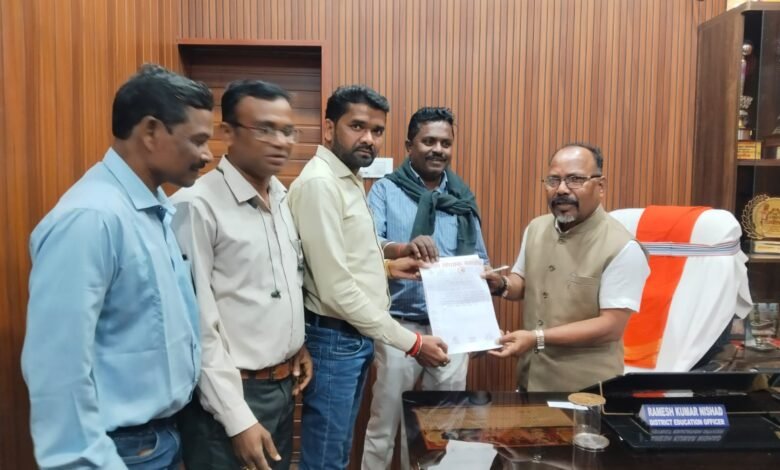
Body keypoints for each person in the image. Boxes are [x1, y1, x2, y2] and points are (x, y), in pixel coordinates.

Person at [21, 64, 214, 469]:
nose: (206, 155)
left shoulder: (151, 210)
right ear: (150, 132)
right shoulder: (91, 219)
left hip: (160, 439)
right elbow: (57, 371)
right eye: (197, 140)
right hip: (119, 451)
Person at [287, 85, 450, 470]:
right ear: (330, 128)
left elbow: (349, 250)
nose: (369, 139)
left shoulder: (346, 177)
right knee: (326, 458)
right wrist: (412, 343)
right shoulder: (321, 184)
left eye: (377, 131)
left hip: (351, 337)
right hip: (334, 337)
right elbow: (336, 289)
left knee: (338, 450)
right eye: (357, 126)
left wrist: (391, 264)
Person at [171, 80, 312, 470]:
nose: (280, 142)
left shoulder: (281, 198)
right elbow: (195, 327)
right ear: (228, 132)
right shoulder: (196, 206)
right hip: (230, 397)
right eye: (265, 129)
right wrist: (237, 418)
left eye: (287, 131)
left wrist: (295, 343)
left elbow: (276, 287)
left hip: (282, 388)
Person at [362, 107, 490, 470]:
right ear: (409, 146)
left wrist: (479, 327)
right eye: (428, 141)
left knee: (440, 430)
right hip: (398, 327)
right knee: (384, 423)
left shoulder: (462, 198)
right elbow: (368, 246)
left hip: (452, 332)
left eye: (445, 143)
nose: (438, 149)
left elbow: (479, 260)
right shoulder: (385, 191)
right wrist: (401, 248)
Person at [485, 143, 650, 392]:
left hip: (587, 390)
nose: (561, 189)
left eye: (575, 180)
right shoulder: (536, 228)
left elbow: (611, 327)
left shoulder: (623, 247)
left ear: (600, 186)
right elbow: (524, 282)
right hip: (530, 379)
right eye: (553, 180)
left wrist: (537, 338)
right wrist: (502, 285)